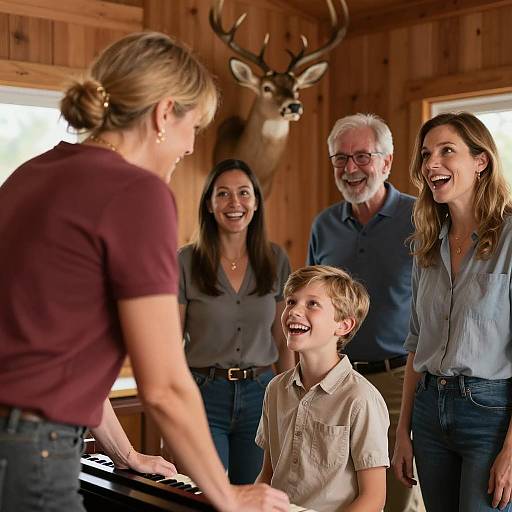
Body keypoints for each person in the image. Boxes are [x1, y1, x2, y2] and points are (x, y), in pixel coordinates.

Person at [0, 31, 289, 512]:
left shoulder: (29, 175)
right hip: (33, 452)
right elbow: (165, 385)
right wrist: (228, 496)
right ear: (162, 114)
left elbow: (57, 350)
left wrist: (126, 453)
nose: (192, 147)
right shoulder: (137, 193)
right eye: (193, 126)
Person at [392, 112, 512, 512]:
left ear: (481, 161)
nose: (431, 164)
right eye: (426, 154)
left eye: (447, 151)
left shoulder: (510, 237)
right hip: (428, 413)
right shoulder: (426, 244)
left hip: (490, 416)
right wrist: (403, 431)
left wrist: (511, 450)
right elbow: (415, 343)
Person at [307, 113, 421, 512]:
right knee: (336, 496)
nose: (350, 168)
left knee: (392, 499)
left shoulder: (420, 217)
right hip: (333, 382)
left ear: (386, 162)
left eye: (362, 157)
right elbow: (309, 307)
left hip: (396, 383)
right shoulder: (324, 225)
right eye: (341, 158)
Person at [178, 158, 295, 484]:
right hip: (202, 394)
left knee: (255, 496)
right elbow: (171, 344)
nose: (235, 203)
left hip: (261, 394)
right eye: (223, 194)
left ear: (256, 202)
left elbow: (284, 337)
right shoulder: (186, 261)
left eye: (244, 193)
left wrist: (288, 398)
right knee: (201, 495)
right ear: (209, 203)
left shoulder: (275, 259)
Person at [255, 265, 389, 512]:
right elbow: (268, 476)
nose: (294, 311)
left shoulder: (360, 399)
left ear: (343, 326)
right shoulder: (275, 389)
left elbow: (373, 498)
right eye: (291, 301)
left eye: (312, 304)